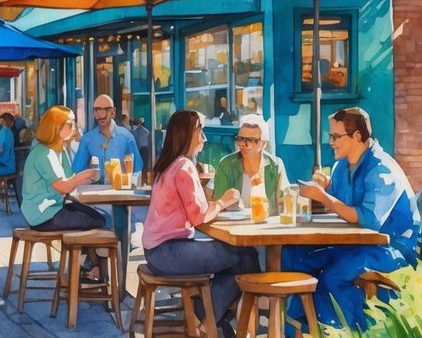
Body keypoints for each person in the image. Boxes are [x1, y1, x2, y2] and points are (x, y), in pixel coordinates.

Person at [284, 107, 421, 332]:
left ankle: (346, 331)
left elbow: (369, 221)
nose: (331, 142)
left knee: (335, 274)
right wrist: (325, 189)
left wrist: (324, 196)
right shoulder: (341, 167)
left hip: (392, 249)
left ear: (357, 136)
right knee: (296, 258)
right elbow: (339, 206)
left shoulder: (382, 169)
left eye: (335, 136)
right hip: (355, 244)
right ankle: (299, 329)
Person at [142, 110, 257, 337]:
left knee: (236, 262)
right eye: (200, 130)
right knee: (246, 256)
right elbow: (198, 216)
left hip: (156, 251)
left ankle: (206, 314)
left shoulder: (167, 164)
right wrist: (224, 201)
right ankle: (211, 320)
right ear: (186, 134)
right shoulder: (184, 166)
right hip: (170, 252)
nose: (204, 137)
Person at [21, 105, 106, 277]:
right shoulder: (44, 154)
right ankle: (88, 269)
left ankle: (83, 268)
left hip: (53, 209)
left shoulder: (59, 149)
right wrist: (86, 174)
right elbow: (64, 186)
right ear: (56, 127)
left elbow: (70, 180)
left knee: (94, 217)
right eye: (70, 123)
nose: (74, 127)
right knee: (96, 220)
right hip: (43, 215)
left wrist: (84, 177)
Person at [211, 114, 288, 210]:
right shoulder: (226, 164)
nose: (243, 144)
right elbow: (218, 204)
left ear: (263, 143)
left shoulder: (276, 165)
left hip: (267, 223)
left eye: (250, 140)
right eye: (240, 139)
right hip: (234, 223)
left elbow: (285, 202)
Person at [71, 94, 142, 178]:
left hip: (120, 189)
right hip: (94, 189)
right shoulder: (87, 140)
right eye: (97, 110)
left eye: (106, 110)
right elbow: (76, 171)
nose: (101, 115)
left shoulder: (126, 137)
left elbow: (137, 169)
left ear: (113, 112)